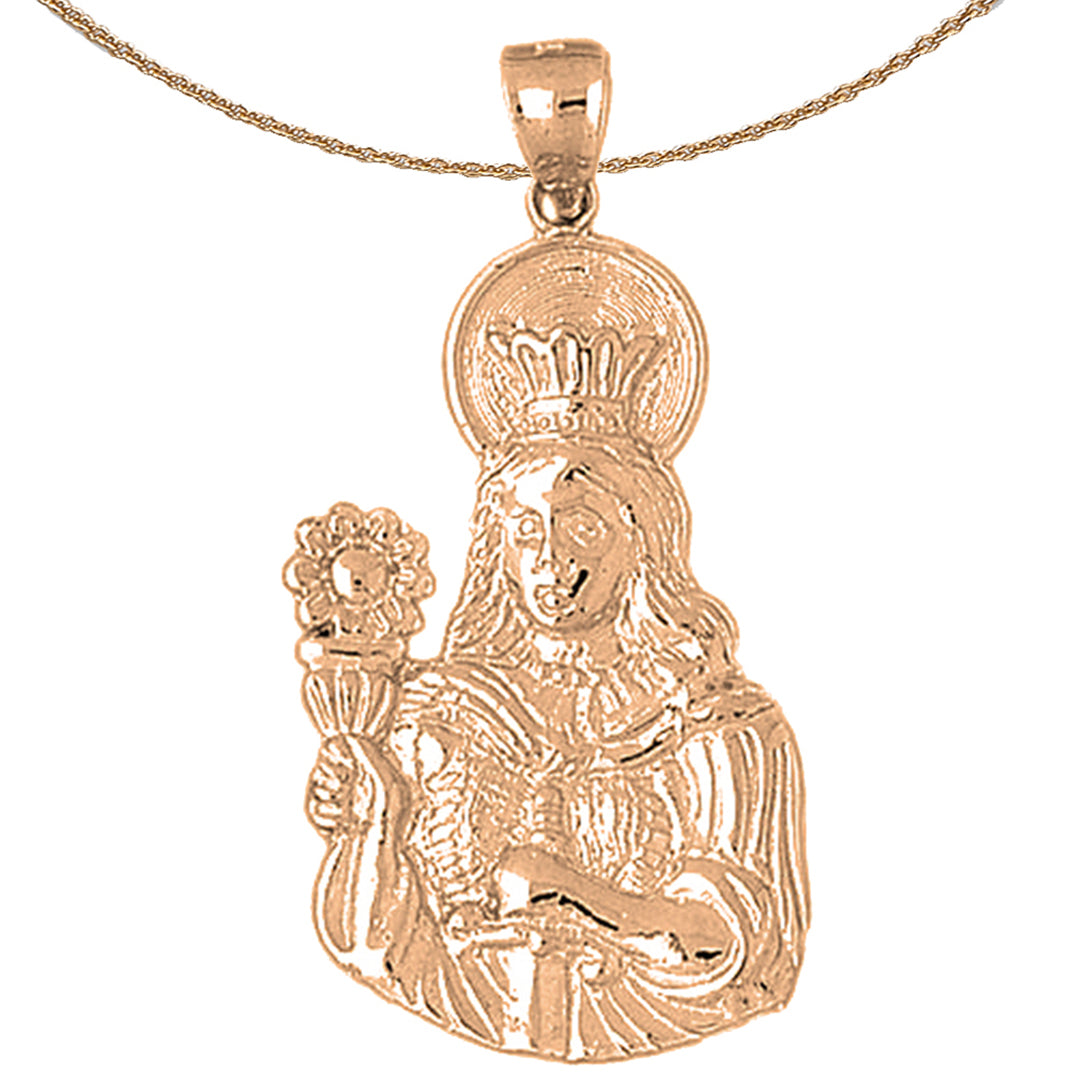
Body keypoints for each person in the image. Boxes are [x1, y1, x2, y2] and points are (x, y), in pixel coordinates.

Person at [308, 430, 809, 1060]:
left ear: (643, 540)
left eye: (584, 529)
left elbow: (744, 954)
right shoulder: (436, 714)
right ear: (496, 548)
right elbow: (374, 946)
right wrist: (373, 827)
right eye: (525, 531)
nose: (550, 558)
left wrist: (566, 894)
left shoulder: (721, 727)